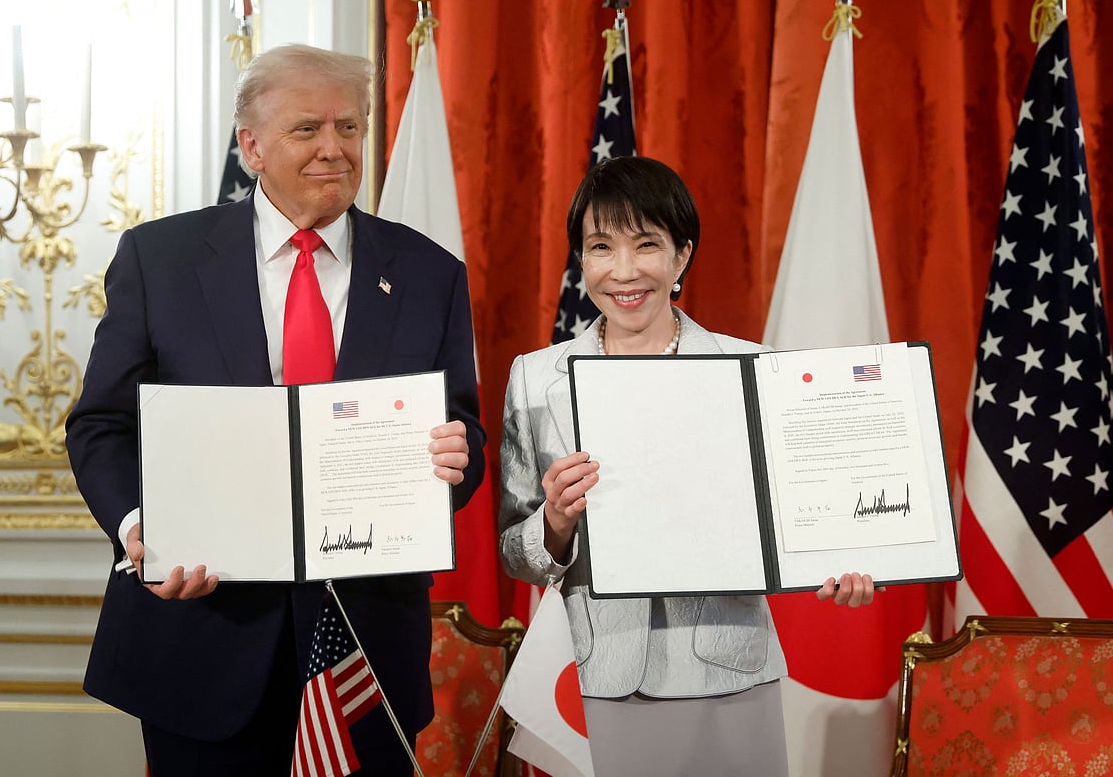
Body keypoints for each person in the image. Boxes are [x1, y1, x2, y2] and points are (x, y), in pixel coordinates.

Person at [66, 44, 485, 776]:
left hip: (365, 647)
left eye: (350, 128)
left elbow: (463, 431)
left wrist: (460, 458)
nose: (335, 149)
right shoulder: (158, 259)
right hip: (200, 640)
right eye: (308, 129)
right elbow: (100, 425)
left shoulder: (428, 274)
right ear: (251, 146)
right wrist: (143, 528)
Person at [499, 156, 876, 776]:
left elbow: (807, 519)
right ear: (581, 259)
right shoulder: (535, 379)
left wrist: (846, 565)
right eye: (600, 247)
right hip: (594, 677)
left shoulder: (754, 371)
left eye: (647, 244)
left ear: (682, 257)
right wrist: (556, 522)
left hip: (729, 676)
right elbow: (517, 549)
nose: (624, 271)